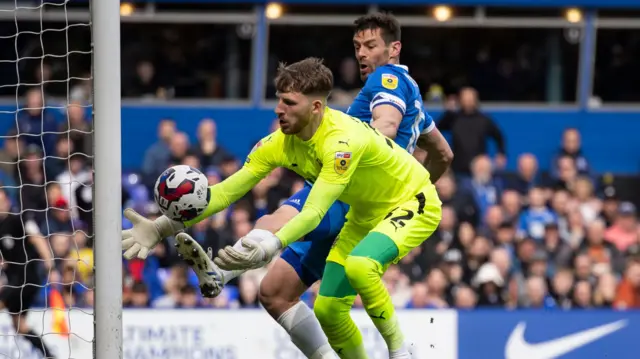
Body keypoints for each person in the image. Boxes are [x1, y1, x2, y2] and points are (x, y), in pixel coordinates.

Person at [122, 58, 444, 359]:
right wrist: (160, 227)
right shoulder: (279, 142)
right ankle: (226, 272)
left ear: (316, 106)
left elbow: (313, 213)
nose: (279, 109)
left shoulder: (341, 142)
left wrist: (272, 246)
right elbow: (224, 193)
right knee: (328, 311)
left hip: (412, 199)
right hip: (363, 212)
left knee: (360, 265)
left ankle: (400, 350)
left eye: (289, 103)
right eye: (278, 99)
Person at [0, 189, 55, 358]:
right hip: (14, 279)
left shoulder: (19, 219)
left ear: (8, 202)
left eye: (2, 200)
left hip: (26, 277)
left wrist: (50, 264)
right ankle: (50, 356)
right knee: (19, 325)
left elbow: (37, 237)